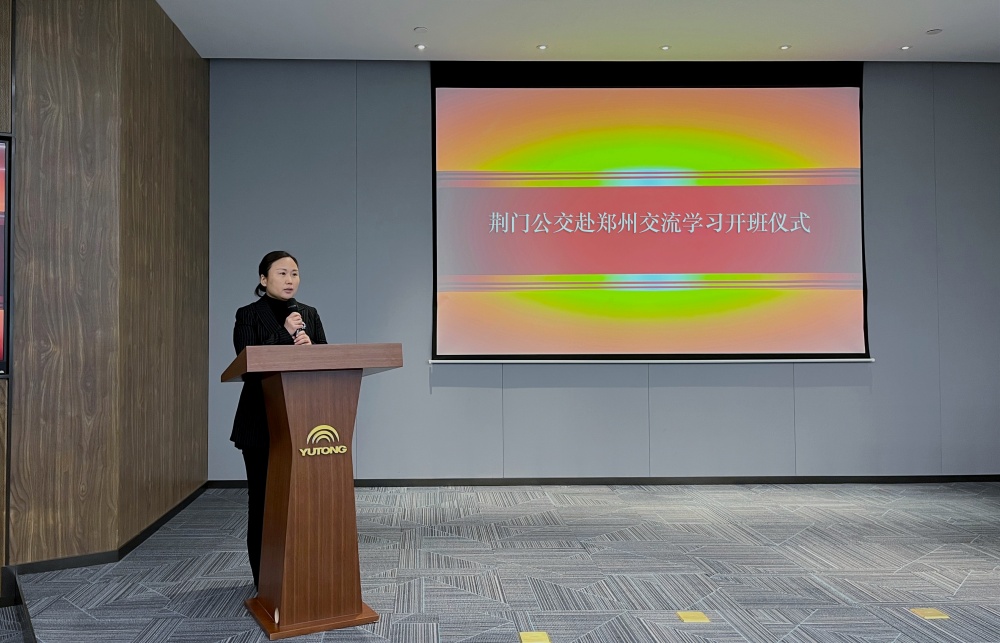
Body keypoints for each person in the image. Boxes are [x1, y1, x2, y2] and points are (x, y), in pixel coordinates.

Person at [230, 250, 328, 590]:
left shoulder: (309, 314)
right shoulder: (248, 314)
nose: (290, 280)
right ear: (263, 279)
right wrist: (285, 334)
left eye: (294, 273)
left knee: (301, 502)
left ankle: (299, 576)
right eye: (282, 273)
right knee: (264, 502)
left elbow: (327, 362)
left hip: (303, 422)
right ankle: (266, 583)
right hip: (260, 422)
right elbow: (246, 363)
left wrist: (312, 350)